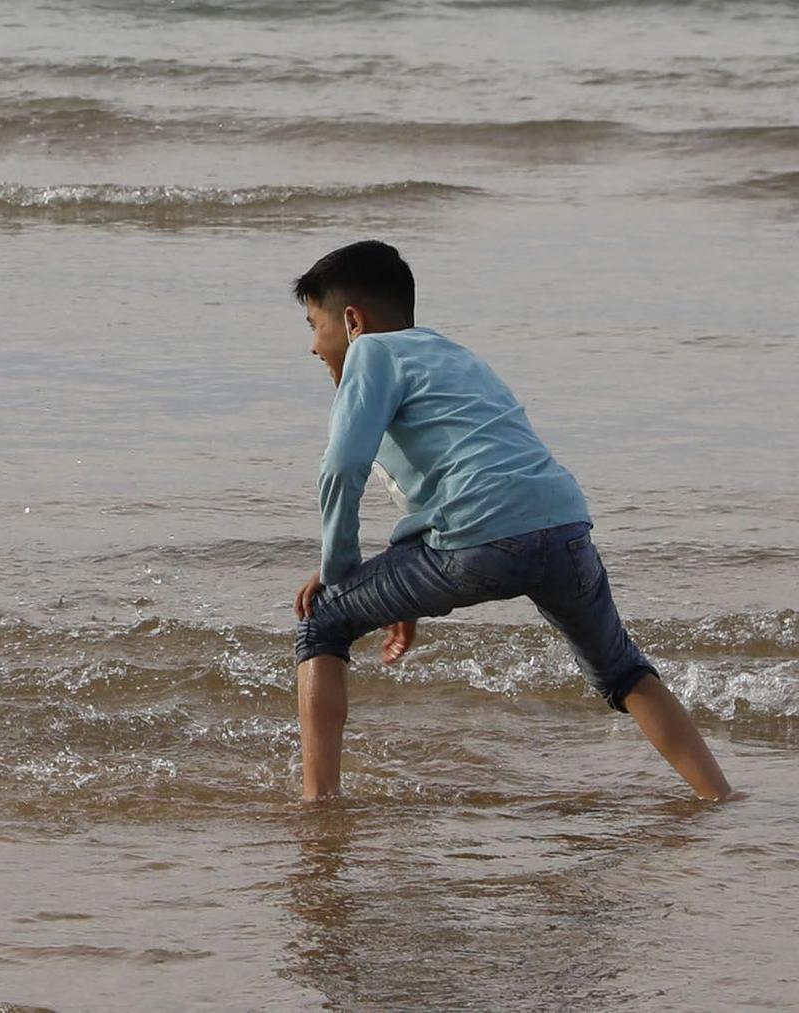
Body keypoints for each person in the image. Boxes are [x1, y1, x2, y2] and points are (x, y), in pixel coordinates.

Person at [289, 239, 732, 801]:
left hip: (481, 540)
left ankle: (317, 806)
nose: (312, 347)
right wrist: (397, 594)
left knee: (322, 622)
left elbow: (342, 468)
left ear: (352, 321)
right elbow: (469, 468)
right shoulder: (456, 355)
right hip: (566, 528)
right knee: (622, 670)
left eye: (314, 324)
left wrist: (339, 570)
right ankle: (718, 797)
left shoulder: (371, 354)